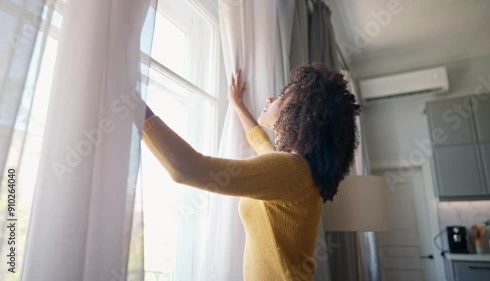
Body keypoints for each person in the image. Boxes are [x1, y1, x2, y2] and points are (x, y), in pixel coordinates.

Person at [141, 63, 361, 281]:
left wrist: (136, 107)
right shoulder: (298, 170)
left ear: (300, 111)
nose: (270, 99)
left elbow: (186, 168)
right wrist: (236, 104)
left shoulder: (291, 170)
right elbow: (261, 143)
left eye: (283, 95)